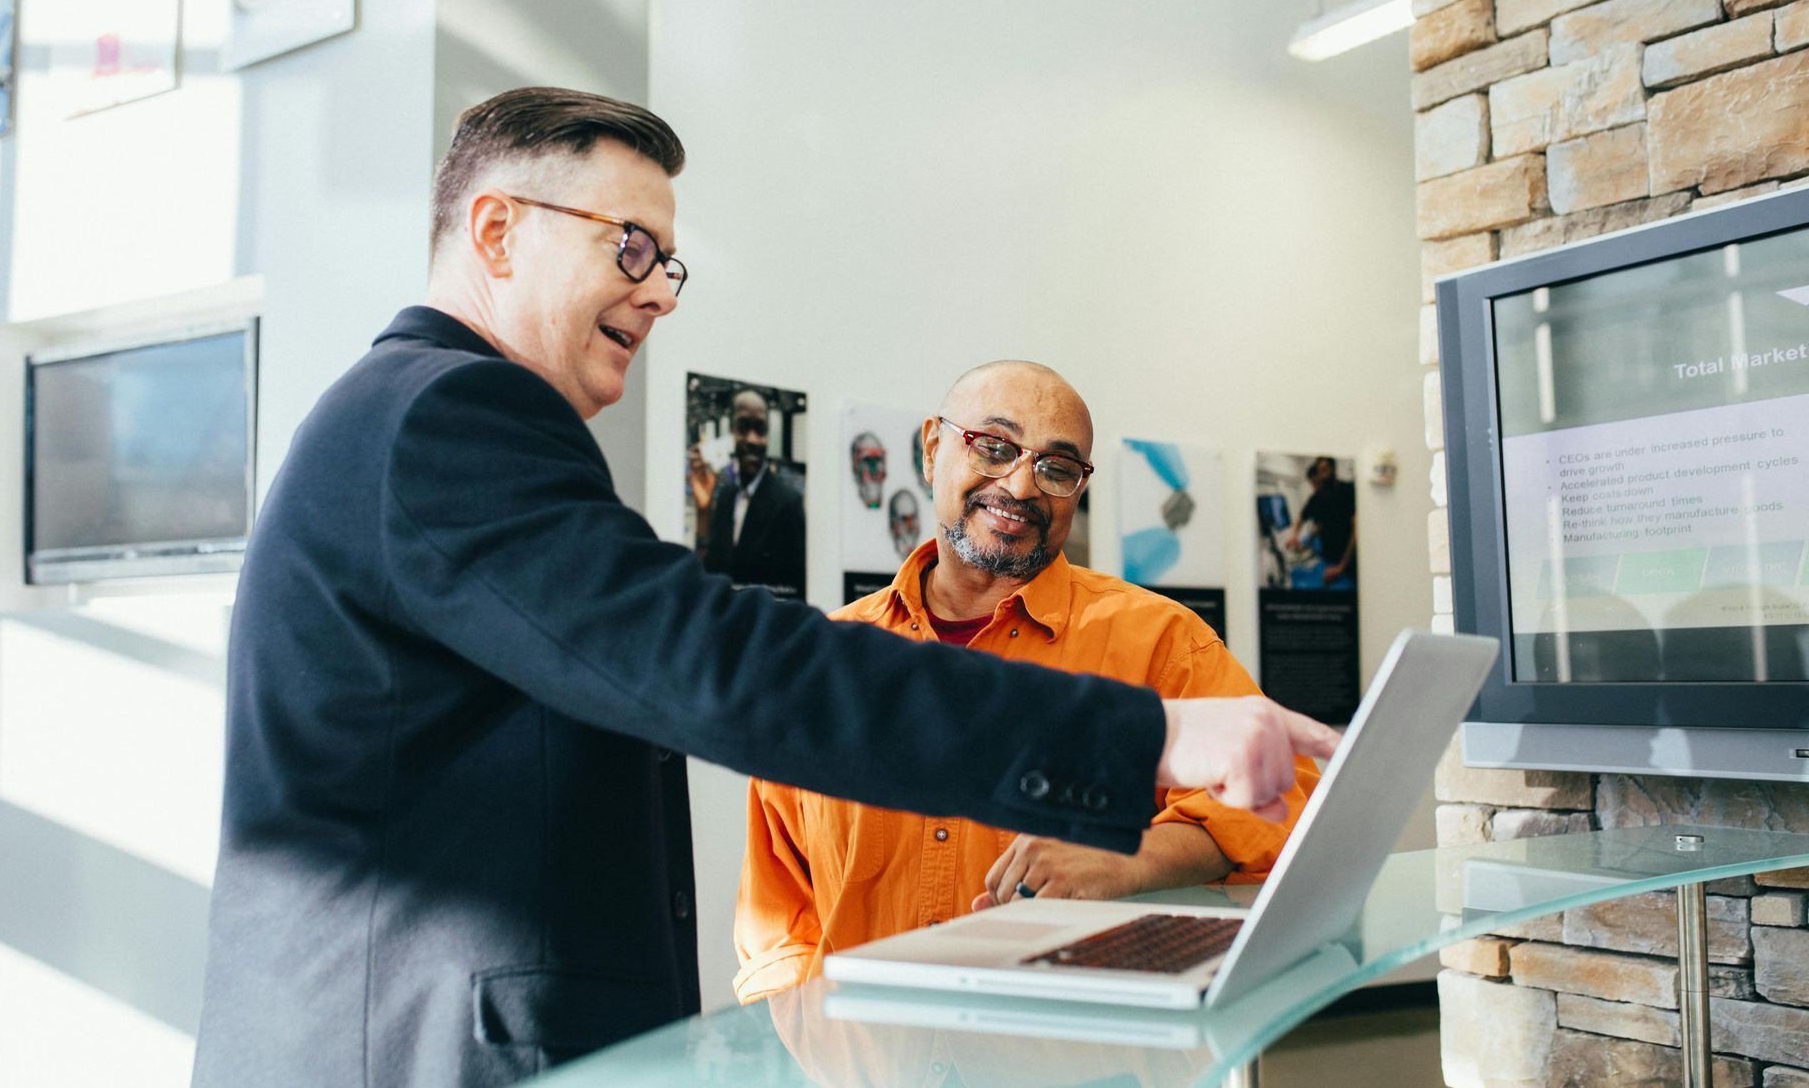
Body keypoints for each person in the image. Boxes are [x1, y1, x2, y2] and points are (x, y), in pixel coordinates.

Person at [191, 87, 1338, 1088]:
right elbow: (717, 664)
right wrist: (1145, 739)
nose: (660, 292)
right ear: (496, 231)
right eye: (630, 246)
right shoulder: (448, 416)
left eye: (666, 260)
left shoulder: (414, 421)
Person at [733, 363, 1320, 1002]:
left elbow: (1286, 800)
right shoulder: (829, 662)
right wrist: (812, 1049)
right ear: (933, 449)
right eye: (994, 446)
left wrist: (1126, 858)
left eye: (1057, 468)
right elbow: (779, 917)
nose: (1020, 484)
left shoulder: (1160, 641)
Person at [689, 388, 806, 597]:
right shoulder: (725, 496)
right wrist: (703, 512)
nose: (752, 439)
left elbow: (795, 593)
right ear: (732, 431)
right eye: (743, 427)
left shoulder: (788, 503)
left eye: (760, 430)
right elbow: (709, 574)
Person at [1288, 455, 1357, 587]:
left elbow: (1356, 530)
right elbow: (1303, 517)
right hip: (1327, 558)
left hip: (1348, 561)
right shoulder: (1317, 498)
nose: (1314, 485)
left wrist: (1342, 566)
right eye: (1321, 471)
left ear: (1333, 469)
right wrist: (1294, 536)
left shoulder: (1347, 490)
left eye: (1326, 470)